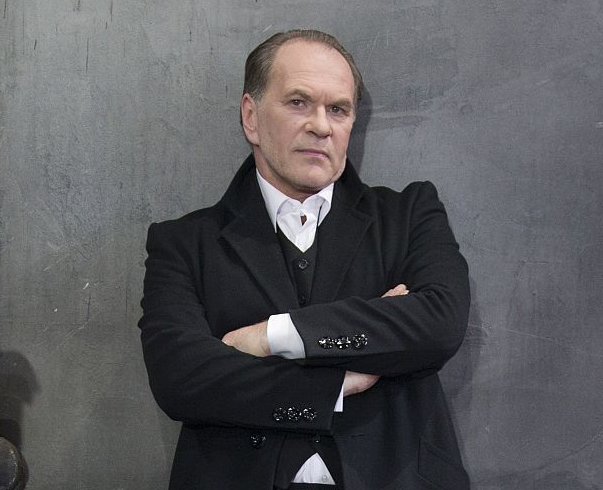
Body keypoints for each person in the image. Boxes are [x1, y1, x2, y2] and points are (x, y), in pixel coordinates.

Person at [139, 29, 470, 490]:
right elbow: (182, 379)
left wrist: (270, 337)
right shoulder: (184, 243)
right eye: (299, 102)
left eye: (338, 109)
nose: (321, 126)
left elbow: (438, 323)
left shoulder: (410, 215)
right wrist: (339, 383)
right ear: (251, 117)